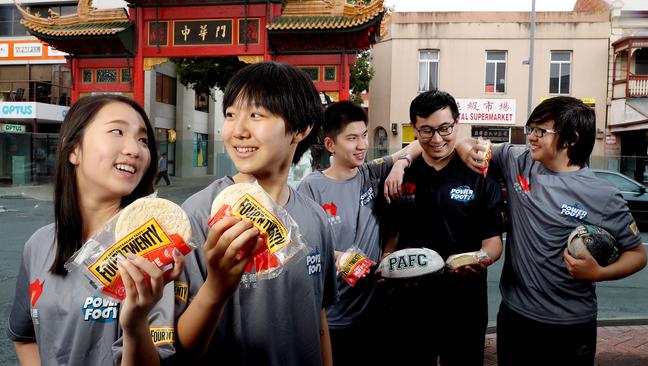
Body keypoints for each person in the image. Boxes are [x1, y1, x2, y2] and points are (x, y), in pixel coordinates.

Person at [458, 96, 647, 366]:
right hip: (515, 316)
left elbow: (638, 255)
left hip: (571, 323)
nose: (531, 137)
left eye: (541, 131)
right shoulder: (518, 161)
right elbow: (469, 143)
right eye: (531, 128)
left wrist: (599, 273)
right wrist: (468, 151)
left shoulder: (604, 195)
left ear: (571, 138)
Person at [176, 61, 337, 365]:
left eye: (256, 115)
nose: (237, 131)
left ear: (300, 129)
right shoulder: (199, 214)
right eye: (230, 115)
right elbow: (180, 346)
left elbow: (318, 318)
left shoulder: (314, 219)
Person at [6, 95, 184, 365]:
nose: (135, 150)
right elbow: (23, 335)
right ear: (73, 150)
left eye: (143, 139)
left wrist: (135, 325)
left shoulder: (156, 247)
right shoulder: (39, 244)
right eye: (117, 131)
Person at [383, 89, 505, 365]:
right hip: (408, 302)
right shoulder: (400, 176)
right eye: (426, 130)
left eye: (444, 128)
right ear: (414, 129)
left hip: (464, 303)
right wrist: (386, 261)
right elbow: (391, 235)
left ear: (457, 125)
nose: (437, 139)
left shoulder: (479, 176)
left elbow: (493, 243)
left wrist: (480, 258)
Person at [296, 101, 421, 365]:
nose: (362, 145)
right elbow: (302, 245)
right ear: (331, 145)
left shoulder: (371, 173)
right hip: (332, 316)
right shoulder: (311, 187)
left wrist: (400, 164)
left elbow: (418, 144)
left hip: (374, 311)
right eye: (352, 138)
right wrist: (341, 257)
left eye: (364, 135)